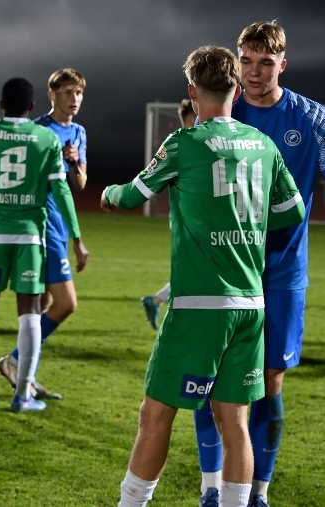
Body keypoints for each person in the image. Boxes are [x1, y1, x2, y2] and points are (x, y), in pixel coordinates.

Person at [105, 45, 305, 507]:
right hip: (250, 308)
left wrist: (112, 194)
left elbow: (131, 196)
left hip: (199, 308)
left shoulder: (183, 143)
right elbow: (292, 210)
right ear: (237, 87)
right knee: (233, 423)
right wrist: (245, 228)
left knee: (155, 416)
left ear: (192, 92)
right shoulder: (264, 145)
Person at [192, 21, 325, 507]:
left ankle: (258, 494)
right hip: (225, 272)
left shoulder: (312, 120)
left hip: (284, 275)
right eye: (245, 61)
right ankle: (212, 489)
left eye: (264, 62)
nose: (252, 72)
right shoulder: (219, 113)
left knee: (269, 384)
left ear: (282, 65)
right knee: (213, 380)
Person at [0, 77, 84, 413]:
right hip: (30, 236)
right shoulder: (46, 139)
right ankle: (23, 395)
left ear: (1, 104)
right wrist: (77, 237)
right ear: (32, 107)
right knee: (30, 313)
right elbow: (62, 192)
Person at [0, 68, 90, 399]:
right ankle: (15, 362)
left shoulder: (78, 133)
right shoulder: (37, 130)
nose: (74, 99)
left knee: (44, 302)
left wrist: (74, 162)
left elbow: (79, 184)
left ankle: (24, 374)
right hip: (42, 225)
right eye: (68, 93)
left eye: (78, 93)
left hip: (59, 226)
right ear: (52, 96)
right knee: (66, 303)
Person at [139, 98, 196, 330]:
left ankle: (156, 301)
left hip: (194, 221)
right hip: (189, 221)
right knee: (197, 273)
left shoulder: (191, 144)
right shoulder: (182, 145)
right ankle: (161, 305)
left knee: (196, 273)